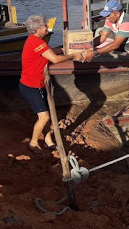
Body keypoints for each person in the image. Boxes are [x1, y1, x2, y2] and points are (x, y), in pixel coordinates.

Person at [82, 0, 129, 116]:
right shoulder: (109, 20)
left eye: (108, 14)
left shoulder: (127, 23)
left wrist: (94, 53)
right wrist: (88, 46)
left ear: (117, 13)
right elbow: (102, 37)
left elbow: (115, 45)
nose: (106, 17)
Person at [20, 15, 79, 153]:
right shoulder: (36, 42)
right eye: (45, 25)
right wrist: (74, 55)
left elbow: (49, 53)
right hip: (31, 87)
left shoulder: (36, 40)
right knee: (44, 116)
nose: (47, 27)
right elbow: (55, 59)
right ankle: (33, 143)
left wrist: (64, 50)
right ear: (38, 28)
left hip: (37, 84)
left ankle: (48, 141)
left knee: (47, 115)